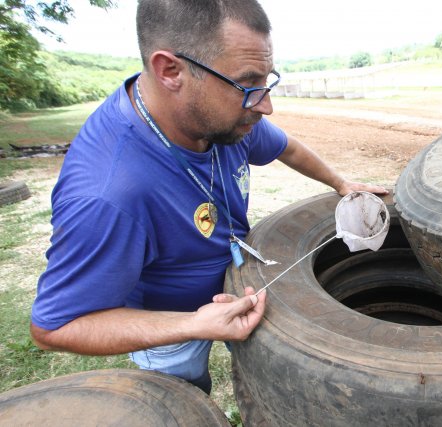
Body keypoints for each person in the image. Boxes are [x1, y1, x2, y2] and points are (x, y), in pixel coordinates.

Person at [29, 0, 387, 395]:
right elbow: (55, 327)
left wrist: (341, 184)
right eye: (248, 84)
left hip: (226, 292)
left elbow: (288, 148)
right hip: (169, 326)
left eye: (267, 81)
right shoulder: (108, 195)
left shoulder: (223, 120)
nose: (265, 105)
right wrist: (192, 325)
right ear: (170, 71)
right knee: (185, 393)